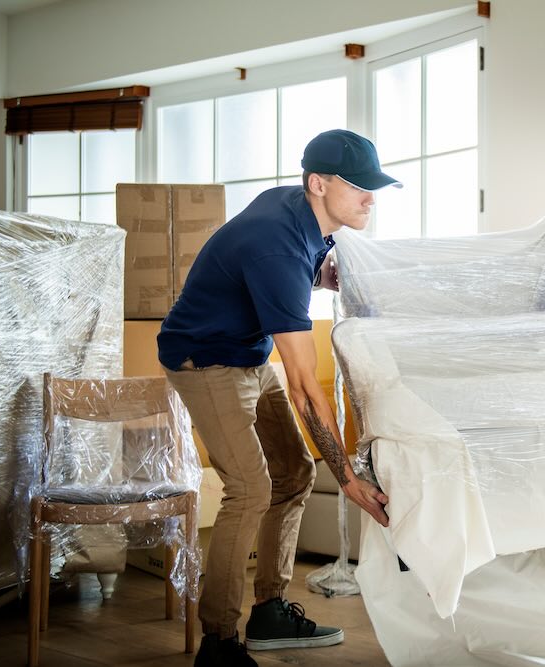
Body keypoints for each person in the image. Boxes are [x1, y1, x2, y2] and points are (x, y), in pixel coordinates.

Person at [158, 129, 397, 667]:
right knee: (249, 487)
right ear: (318, 184)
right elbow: (306, 390)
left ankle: (269, 609)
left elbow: (288, 265)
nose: (371, 198)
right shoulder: (277, 244)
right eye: (359, 186)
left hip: (247, 352)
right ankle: (218, 642)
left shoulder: (301, 211)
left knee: (294, 472)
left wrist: (321, 273)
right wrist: (351, 480)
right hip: (204, 360)